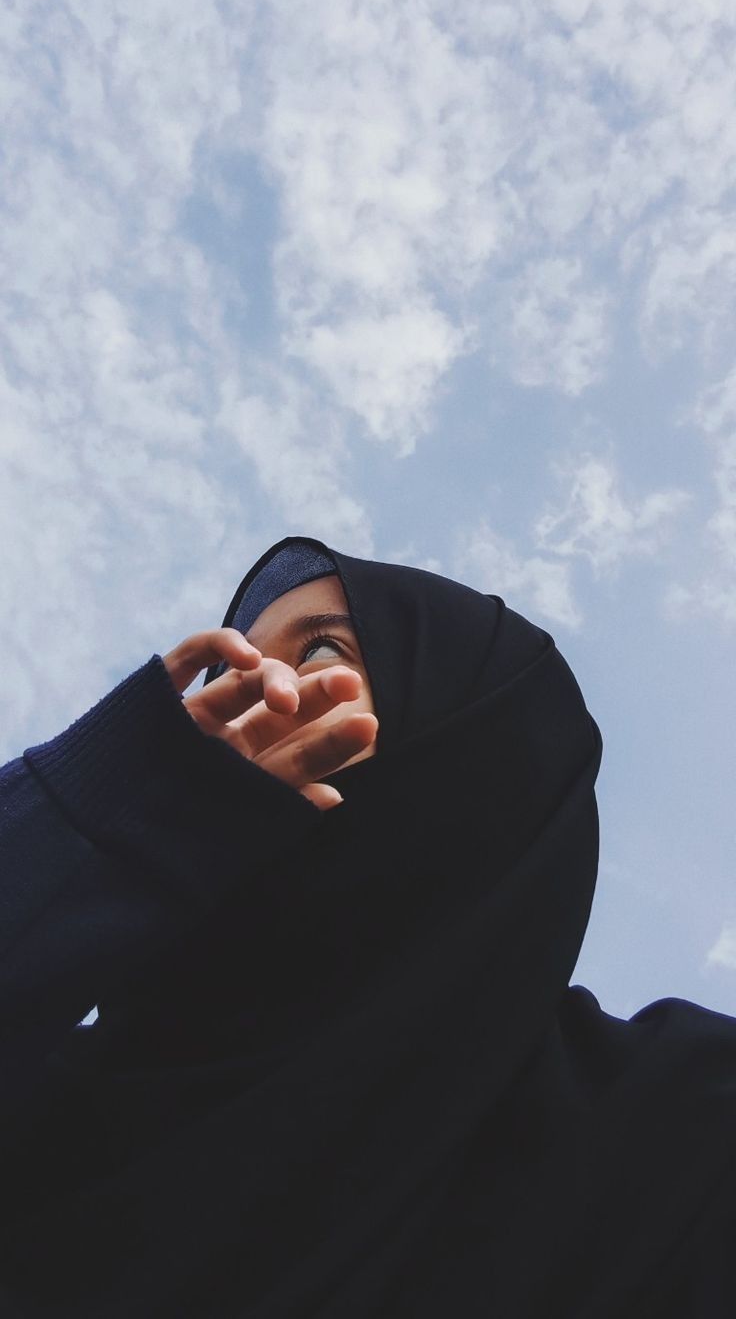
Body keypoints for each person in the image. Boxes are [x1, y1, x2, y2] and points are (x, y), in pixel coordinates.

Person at [0, 534, 734, 1318]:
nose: (257, 687)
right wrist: (82, 828)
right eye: (224, 674)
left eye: (319, 648)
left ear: (479, 731)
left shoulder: (685, 1137)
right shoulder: (49, 1108)